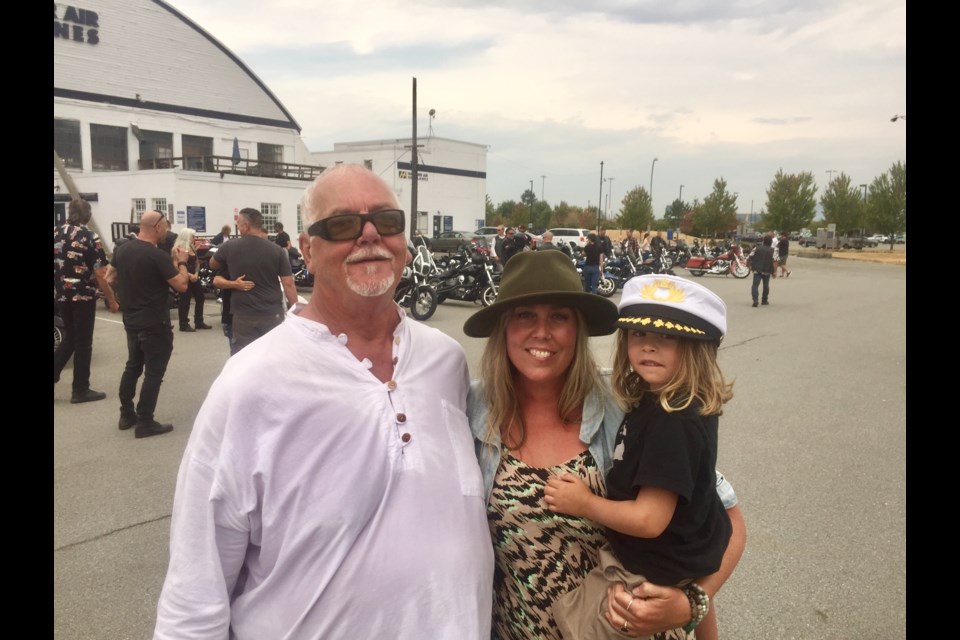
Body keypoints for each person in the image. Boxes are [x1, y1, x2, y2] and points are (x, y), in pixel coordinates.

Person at [154, 164, 494, 639]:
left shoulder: (446, 360)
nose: (370, 234)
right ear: (308, 251)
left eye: (387, 221)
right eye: (342, 225)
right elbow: (196, 589)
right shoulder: (252, 383)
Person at [463, 250, 745, 640]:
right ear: (503, 329)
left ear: (577, 330)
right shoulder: (471, 411)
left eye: (558, 317)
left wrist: (692, 604)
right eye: (524, 315)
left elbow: (722, 520)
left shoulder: (631, 406)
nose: (541, 331)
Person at [546, 274, 734, 640]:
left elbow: (650, 520)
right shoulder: (663, 401)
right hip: (669, 562)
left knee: (579, 627)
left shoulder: (672, 420)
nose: (649, 346)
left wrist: (584, 503)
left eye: (667, 336)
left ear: (698, 347)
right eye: (639, 334)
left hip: (647, 576)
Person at [104, 210, 190, 438]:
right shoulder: (157, 256)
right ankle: (145, 421)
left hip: (131, 319)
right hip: (154, 321)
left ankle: (126, 413)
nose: (167, 233)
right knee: (153, 372)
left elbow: (109, 278)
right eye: (166, 228)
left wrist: (128, 289)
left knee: (133, 366)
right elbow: (181, 285)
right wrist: (182, 262)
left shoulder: (122, 250)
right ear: (158, 227)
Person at [54, 198, 119, 403]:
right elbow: (100, 273)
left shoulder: (55, 232)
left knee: (71, 337)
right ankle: (80, 390)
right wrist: (112, 300)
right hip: (82, 295)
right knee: (83, 342)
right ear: (88, 215)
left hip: (62, 294)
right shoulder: (90, 236)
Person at [208, 207, 298, 355]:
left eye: (238, 224)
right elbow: (288, 284)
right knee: (272, 355)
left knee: (243, 357)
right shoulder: (278, 251)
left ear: (246, 225)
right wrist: (296, 313)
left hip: (244, 315)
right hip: (272, 315)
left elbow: (212, 264)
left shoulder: (229, 246)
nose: (237, 227)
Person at [171, 228, 212, 332]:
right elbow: (176, 265)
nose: (194, 238)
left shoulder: (192, 247)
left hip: (194, 276)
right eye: (193, 236)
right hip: (184, 276)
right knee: (185, 300)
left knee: (200, 297)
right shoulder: (178, 249)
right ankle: (183, 323)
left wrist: (196, 274)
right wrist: (189, 275)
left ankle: (199, 321)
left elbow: (197, 262)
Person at [750, 234, 775, 307]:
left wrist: (750, 265)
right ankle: (764, 300)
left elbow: (750, 257)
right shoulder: (773, 250)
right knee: (766, 285)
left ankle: (755, 300)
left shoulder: (756, 248)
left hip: (757, 269)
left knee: (755, 285)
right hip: (767, 270)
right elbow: (775, 261)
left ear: (763, 241)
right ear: (770, 242)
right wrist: (774, 271)